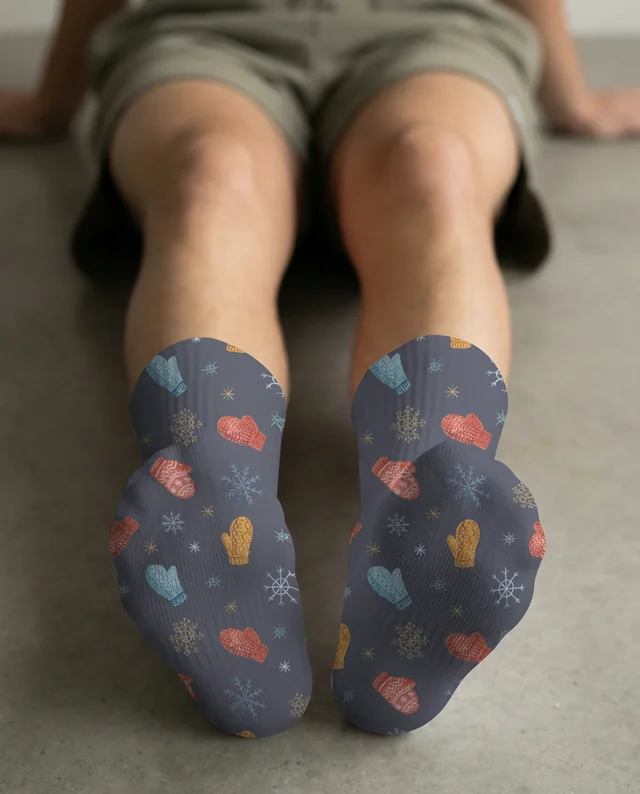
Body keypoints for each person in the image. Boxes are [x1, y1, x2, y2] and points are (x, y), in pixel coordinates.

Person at [2, 0, 638, 739]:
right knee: (211, 173)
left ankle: (430, 496)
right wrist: (55, 98)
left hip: (431, 24)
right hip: (201, 27)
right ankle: (208, 488)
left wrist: (573, 97)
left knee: (433, 168)